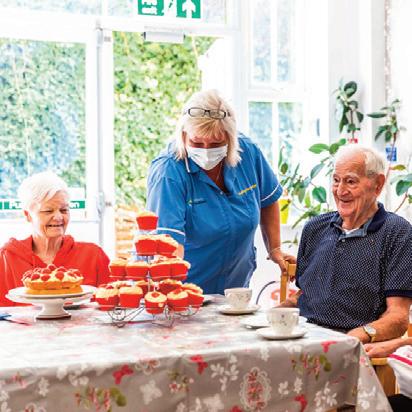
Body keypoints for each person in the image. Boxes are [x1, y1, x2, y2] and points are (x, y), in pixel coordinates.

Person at [146, 89, 295, 294]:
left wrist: (275, 248)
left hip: (235, 287)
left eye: (216, 143)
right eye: (197, 143)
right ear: (183, 135)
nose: (206, 150)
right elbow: (169, 246)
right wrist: (174, 293)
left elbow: (267, 199)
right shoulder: (168, 173)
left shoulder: (248, 153)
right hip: (186, 289)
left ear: (231, 139)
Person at [279, 145, 412, 343]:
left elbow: (398, 318)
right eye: (336, 180)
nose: (340, 191)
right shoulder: (314, 228)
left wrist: (354, 338)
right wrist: (268, 316)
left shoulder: (397, 233)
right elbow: (303, 295)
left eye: (351, 181)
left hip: (353, 346)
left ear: (378, 184)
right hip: (301, 339)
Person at [0, 171, 111, 306]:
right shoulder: (7, 258)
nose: (58, 217)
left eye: (64, 210)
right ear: (28, 215)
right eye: (48, 211)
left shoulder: (94, 255)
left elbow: (112, 306)